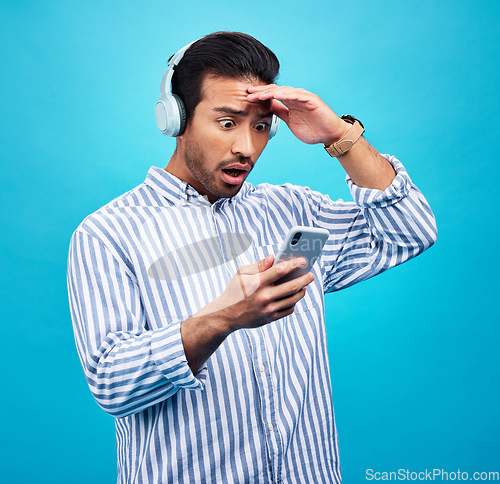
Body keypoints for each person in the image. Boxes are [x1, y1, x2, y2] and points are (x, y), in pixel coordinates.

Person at [67, 31, 437, 484]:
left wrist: (340, 136)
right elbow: (113, 385)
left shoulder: (294, 212)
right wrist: (222, 318)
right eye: (227, 122)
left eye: (260, 126)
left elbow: (410, 232)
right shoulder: (107, 234)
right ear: (176, 117)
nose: (246, 146)